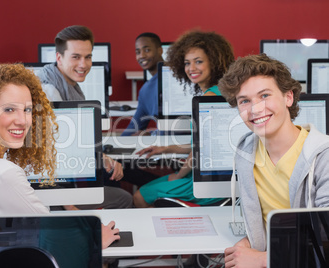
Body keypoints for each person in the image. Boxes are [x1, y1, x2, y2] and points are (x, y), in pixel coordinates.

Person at [0, 64, 120, 250]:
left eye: (27, 110)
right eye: (9, 109)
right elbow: (55, 238)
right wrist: (96, 239)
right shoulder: (1, 173)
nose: (23, 120)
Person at [218, 54, 329, 267]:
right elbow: (268, 222)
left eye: (265, 95)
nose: (255, 109)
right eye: (245, 101)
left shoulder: (323, 156)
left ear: (288, 97)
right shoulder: (246, 153)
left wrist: (263, 259)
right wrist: (251, 240)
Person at [133, 30, 235, 208]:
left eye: (198, 62)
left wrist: (178, 175)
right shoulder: (220, 91)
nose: (191, 68)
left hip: (204, 181)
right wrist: (165, 149)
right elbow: (201, 144)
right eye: (187, 63)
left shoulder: (209, 97)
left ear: (215, 61)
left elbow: (198, 152)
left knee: (139, 197)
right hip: (213, 176)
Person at [37, 25, 132, 208]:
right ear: (59, 58)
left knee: (111, 176)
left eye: (88, 57)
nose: (83, 64)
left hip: (63, 180)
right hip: (53, 192)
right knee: (123, 198)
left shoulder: (67, 85)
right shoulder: (48, 92)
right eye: (76, 57)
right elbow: (60, 151)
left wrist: (103, 157)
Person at [121, 32, 164, 136]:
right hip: (163, 144)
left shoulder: (176, 79)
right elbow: (134, 127)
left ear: (160, 50)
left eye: (147, 50)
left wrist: (150, 135)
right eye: (138, 52)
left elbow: (179, 128)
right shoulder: (145, 90)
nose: (142, 56)